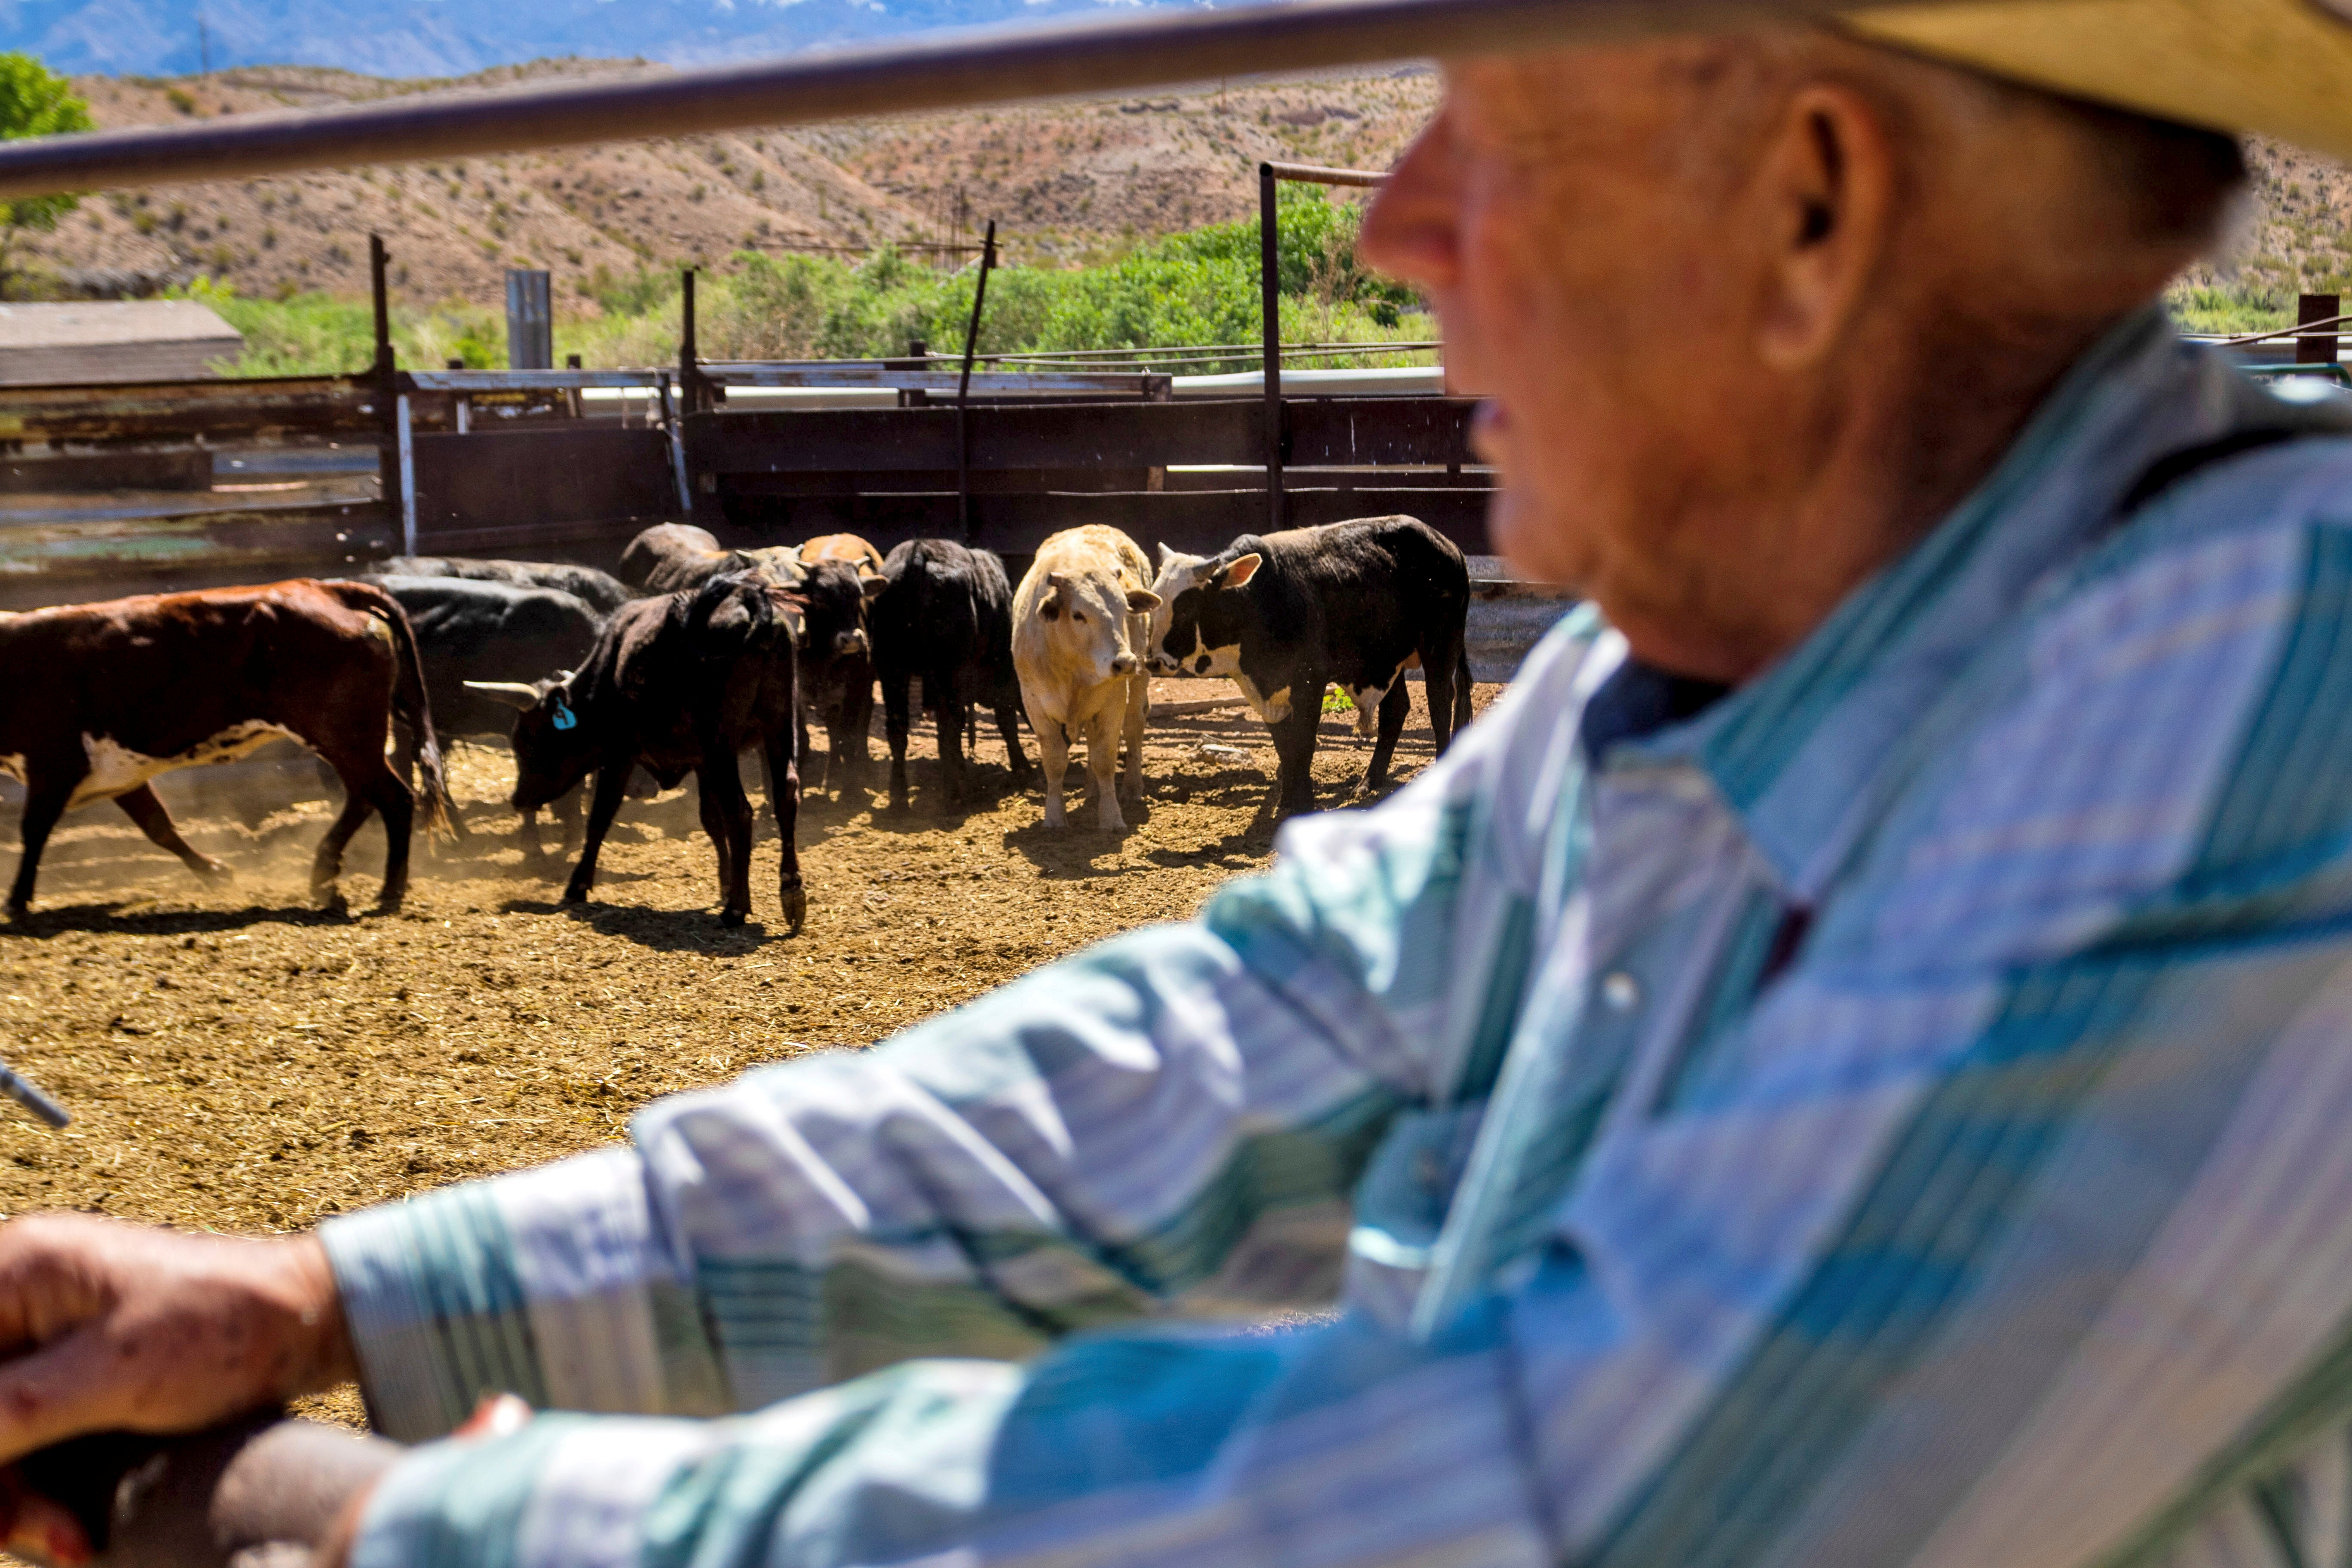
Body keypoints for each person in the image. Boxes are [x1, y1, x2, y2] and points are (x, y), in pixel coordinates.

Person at [6, 21, 2352, 1568]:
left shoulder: (2269, 692)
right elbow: (1208, 1065)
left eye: (1492, 129)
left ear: (1813, 209)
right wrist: (340, 1290)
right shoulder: (1706, 669)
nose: (1389, 222)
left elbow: (1550, 1514)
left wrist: (362, 1518)